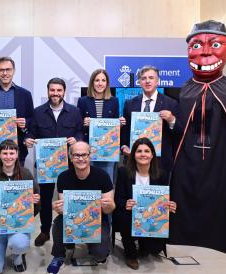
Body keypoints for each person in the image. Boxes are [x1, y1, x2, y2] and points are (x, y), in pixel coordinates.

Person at [170, 20, 226, 255]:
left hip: (219, 157)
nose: (205, 53)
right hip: (188, 154)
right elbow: (180, 127)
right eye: (196, 46)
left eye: (214, 44)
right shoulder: (185, 89)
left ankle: (219, 234)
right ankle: (184, 232)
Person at [24, 77, 83, 247]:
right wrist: (27, 139)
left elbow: (80, 132)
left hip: (70, 165)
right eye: (52, 90)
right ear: (48, 91)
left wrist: (76, 139)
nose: (55, 93)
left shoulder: (74, 111)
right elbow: (31, 133)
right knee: (46, 198)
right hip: (46, 166)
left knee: (70, 199)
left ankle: (70, 231)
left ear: (64, 91)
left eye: (59, 90)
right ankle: (44, 231)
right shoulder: (38, 112)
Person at [47, 141, 115, 274]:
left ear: (90, 156)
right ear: (71, 158)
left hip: (98, 220)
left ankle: (91, 244)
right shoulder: (63, 177)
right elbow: (64, 210)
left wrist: (109, 205)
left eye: (84, 155)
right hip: (72, 219)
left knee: (100, 256)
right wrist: (58, 208)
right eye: (76, 155)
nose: (81, 158)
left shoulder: (103, 176)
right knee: (58, 222)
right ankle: (59, 255)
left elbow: (110, 209)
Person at [0, 139, 40, 273]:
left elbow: (35, 210)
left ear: (17, 155)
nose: (8, 157)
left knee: (19, 243)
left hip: (19, 222)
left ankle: (17, 256)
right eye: (5, 153)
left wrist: (35, 202)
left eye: (12, 153)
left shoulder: (26, 174)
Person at [113, 137, 177, 270]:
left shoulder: (161, 174)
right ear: (133, 154)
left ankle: (145, 243)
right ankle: (130, 254)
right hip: (130, 215)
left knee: (152, 250)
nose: (143, 154)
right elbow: (118, 198)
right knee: (123, 215)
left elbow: (165, 199)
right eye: (139, 151)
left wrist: (170, 205)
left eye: (147, 151)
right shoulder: (123, 172)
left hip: (151, 216)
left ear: (152, 154)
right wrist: (125, 203)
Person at [119, 65, 179, 174]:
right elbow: (125, 131)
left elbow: (179, 133)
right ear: (139, 82)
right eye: (143, 78)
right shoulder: (130, 104)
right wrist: (124, 146)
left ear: (157, 81)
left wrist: (171, 120)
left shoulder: (171, 103)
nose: (147, 81)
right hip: (135, 161)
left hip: (161, 162)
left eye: (151, 78)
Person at [77, 68, 119, 182]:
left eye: (103, 80)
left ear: (107, 83)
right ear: (92, 82)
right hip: (89, 147)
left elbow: (115, 127)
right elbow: (77, 125)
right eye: (97, 80)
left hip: (108, 148)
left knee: (107, 180)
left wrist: (120, 123)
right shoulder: (83, 101)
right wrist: (83, 122)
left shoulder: (114, 101)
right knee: (89, 181)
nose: (100, 83)